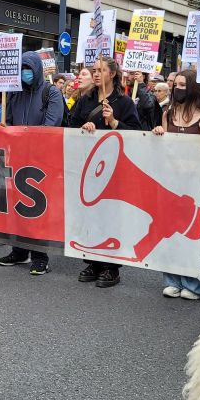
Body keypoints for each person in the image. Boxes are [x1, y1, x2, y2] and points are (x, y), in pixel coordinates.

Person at [71, 57, 140, 288]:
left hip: (115, 167)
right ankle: (92, 261)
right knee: (90, 215)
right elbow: (70, 126)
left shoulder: (124, 102)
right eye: (94, 70)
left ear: (112, 74)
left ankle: (111, 267)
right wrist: (84, 128)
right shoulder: (86, 99)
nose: (96, 74)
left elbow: (138, 134)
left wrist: (114, 123)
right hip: (88, 166)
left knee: (111, 216)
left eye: (101, 70)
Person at [0, 51, 64, 275]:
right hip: (17, 158)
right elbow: (8, 122)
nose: (24, 72)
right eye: (21, 68)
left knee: (38, 208)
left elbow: (51, 125)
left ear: (36, 69)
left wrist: (24, 137)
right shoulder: (14, 93)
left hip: (41, 159)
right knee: (18, 205)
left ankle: (39, 256)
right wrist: (5, 127)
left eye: (28, 68)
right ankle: (19, 250)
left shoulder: (51, 92)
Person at [153, 69, 200, 300]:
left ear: (193, 89)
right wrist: (158, 133)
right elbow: (164, 148)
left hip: (193, 183)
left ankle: (194, 284)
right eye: (175, 85)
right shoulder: (167, 114)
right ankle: (172, 280)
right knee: (169, 232)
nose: (177, 89)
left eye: (182, 85)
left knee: (191, 234)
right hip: (170, 182)